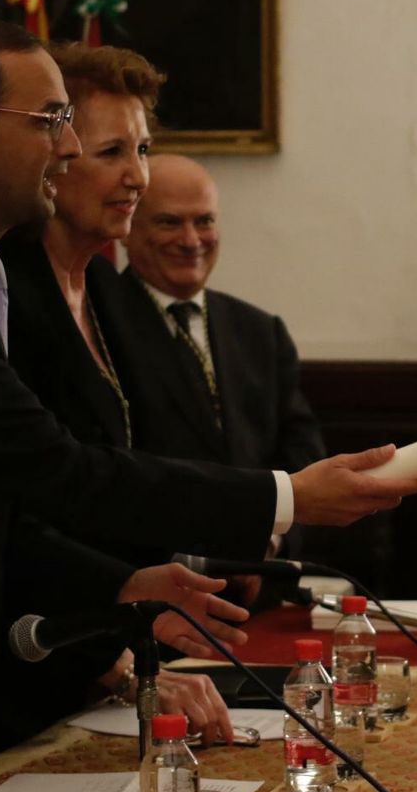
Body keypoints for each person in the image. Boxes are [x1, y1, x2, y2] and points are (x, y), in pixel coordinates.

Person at [0, 17, 417, 792]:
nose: (66, 147)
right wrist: (289, 495)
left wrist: (127, 584)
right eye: (52, 123)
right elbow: (51, 471)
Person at [0, 43, 231, 759]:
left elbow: (146, 469)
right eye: (114, 149)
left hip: (103, 662)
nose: (138, 177)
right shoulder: (7, 295)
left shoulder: (116, 296)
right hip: (16, 668)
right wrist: (115, 664)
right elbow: (24, 506)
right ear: (56, 156)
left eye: (144, 148)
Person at [116, 152, 327, 562]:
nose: (192, 240)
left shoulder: (261, 331)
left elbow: (302, 454)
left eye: (205, 221)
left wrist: (269, 542)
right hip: (150, 579)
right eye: (169, 222)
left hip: (260, 580)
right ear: (127, 228)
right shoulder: (100, 322)